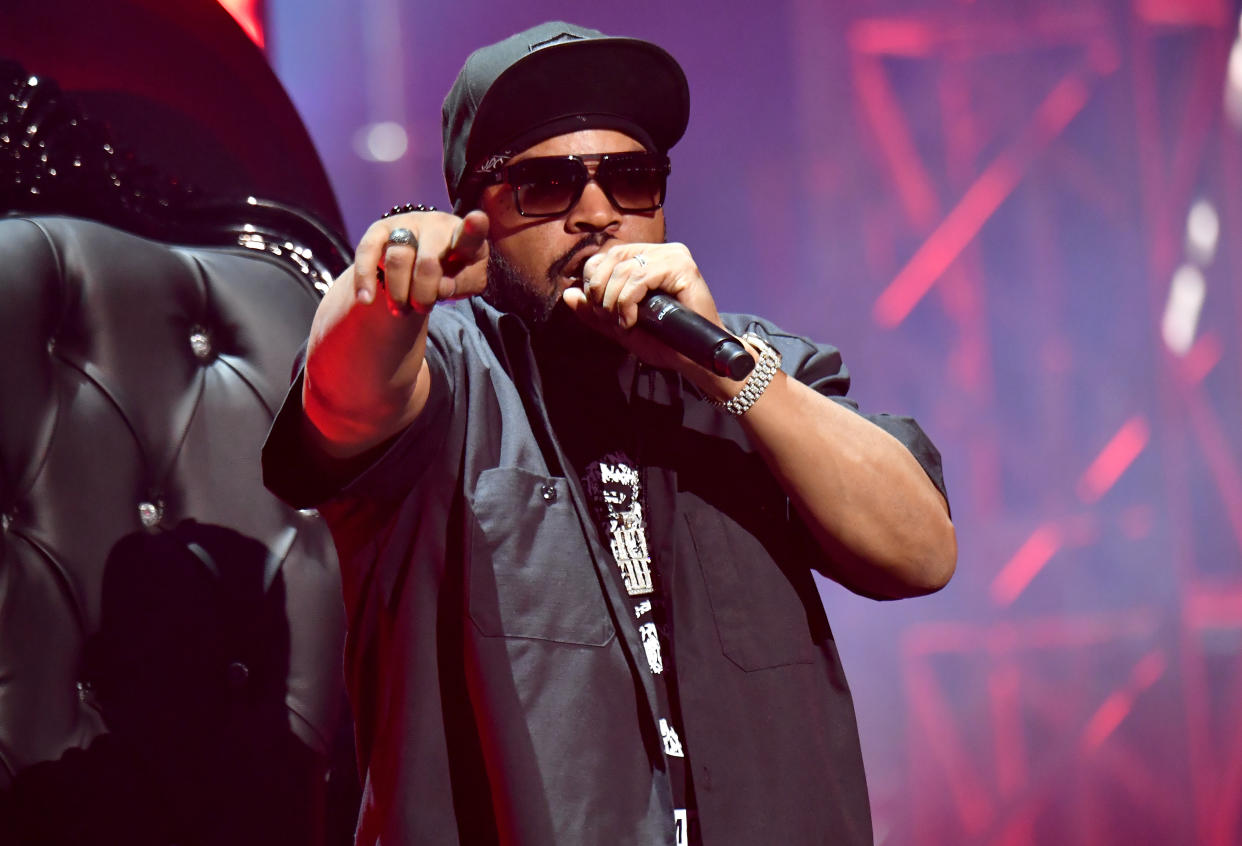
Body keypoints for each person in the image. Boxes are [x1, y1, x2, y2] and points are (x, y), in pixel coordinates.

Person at [262, 20, 956, 846]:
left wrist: (731, 373)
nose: (599, 214)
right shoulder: (444, 369)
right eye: (549, 186)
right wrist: (384, 290)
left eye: (630, 178)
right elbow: (345, 400)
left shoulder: (756, 370)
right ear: (474, 216)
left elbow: (921, 554)